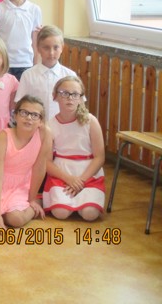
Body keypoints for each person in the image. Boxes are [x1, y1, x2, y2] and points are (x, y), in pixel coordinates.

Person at [0, 96, 52, 229]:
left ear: (41, 121)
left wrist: (32, 199)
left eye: (35, 115)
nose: (29, 118)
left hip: (19, 184)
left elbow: (39, 167)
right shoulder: (3, 137)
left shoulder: (45, 134)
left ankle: (34, 203)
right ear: (15, 116)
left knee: (16, 219)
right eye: (24, 113)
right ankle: (2, 211)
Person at [43, 76, 105, 221]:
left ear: (81, 98)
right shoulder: (49, 125)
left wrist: (81, 180)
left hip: (88, 173)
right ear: (55, 96)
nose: (70, 98)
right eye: (64, 93)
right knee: (60, 213)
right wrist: (69, 179)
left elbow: (100, 157)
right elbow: (47, 162)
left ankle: (83, 202)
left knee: (90, 214)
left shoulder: (91, 121)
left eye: (75, 94)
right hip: (62, 173)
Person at [15, 25, 76, 121]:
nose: (51, 53)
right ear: (38, 48)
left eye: (56, 47)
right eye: (46, 48)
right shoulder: (28, 75)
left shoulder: (70, 76)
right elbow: (20, 104)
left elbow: (78, 105)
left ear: (62, 48)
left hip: (62, 126)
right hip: (35, 125)